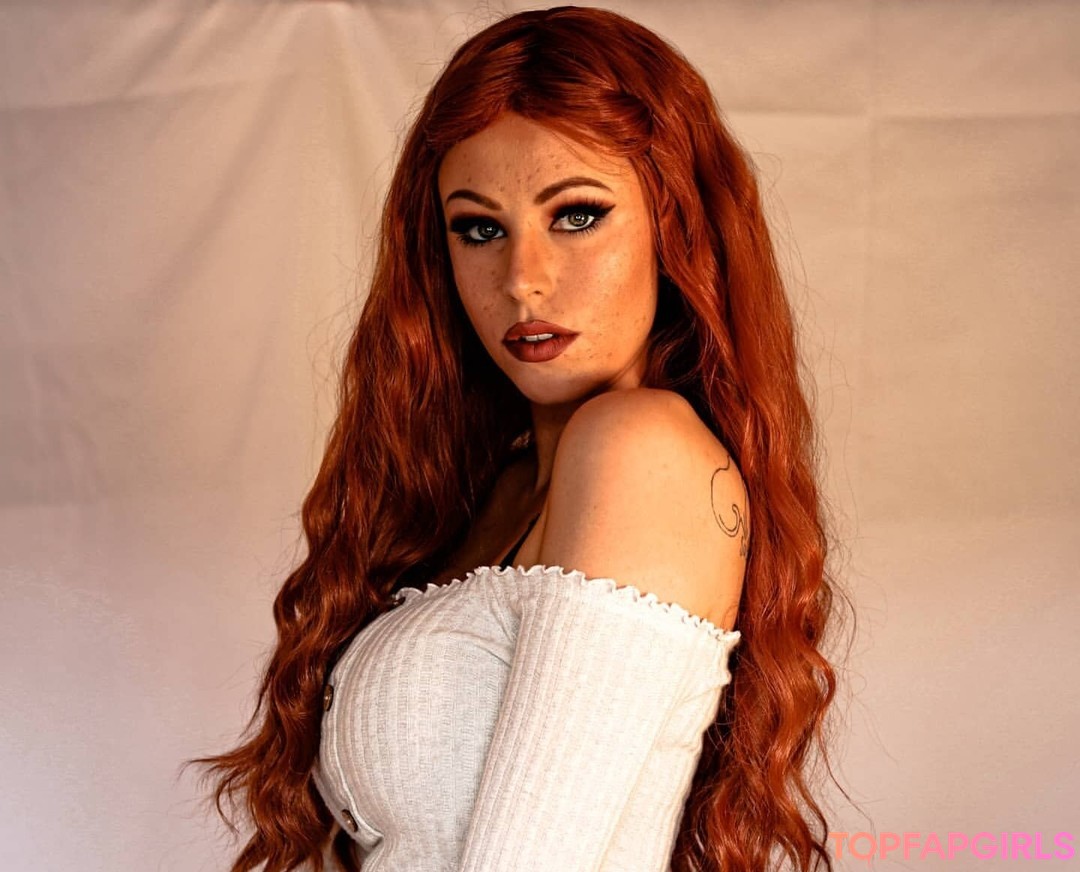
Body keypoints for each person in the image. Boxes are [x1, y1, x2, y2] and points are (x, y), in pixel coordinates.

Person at [195, 6, 850, 871]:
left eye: (576, 215)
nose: (522, 279)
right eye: (480, 228)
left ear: (677, 227)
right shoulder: (497, 487)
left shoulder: (638, 449)